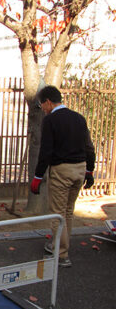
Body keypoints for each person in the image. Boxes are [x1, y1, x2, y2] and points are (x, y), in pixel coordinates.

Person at [30, 85, 95, 268]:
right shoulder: (79, 118)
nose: (42, 108)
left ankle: (61, 254)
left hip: (62, 170)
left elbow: (46, 151)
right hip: (80, 169)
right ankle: (58, 245)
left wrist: (38, 176)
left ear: (48, 102)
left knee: (57, 214)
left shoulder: (51, 120)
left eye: (42, 105)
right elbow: (89, 147)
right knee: (67, 211)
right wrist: (89, 171)